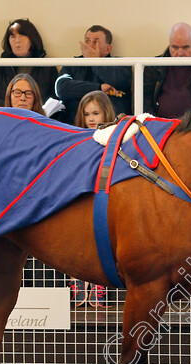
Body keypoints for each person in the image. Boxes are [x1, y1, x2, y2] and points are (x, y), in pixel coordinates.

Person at [70, 90, 116, 307]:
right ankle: (77, 282)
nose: (90, 118)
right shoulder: (76, 138)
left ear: (105, 112)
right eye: (87, 114)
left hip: (105, 196)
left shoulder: (115, 138)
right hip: (81, 195)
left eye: (95, 113)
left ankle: (100, 285)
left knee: (101, 241)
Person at [54, 25, 132, 125]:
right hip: (75, 128)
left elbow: (120, 81)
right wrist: (99, 88)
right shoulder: (73, 64)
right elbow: (61, 88)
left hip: (112, 129)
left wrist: (96, 62)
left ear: (108, 49)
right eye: (87, 41)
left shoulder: (120, 65)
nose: (90, 46)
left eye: (96, 42)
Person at [0, 19, 58, 111]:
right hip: (6, 118)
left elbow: (54, 99)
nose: (17, 41)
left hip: (37, 119)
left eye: (22, 35)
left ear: (32, 39)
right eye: (13, 37)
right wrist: (13, 108)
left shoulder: (47, 67)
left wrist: (33, 108)